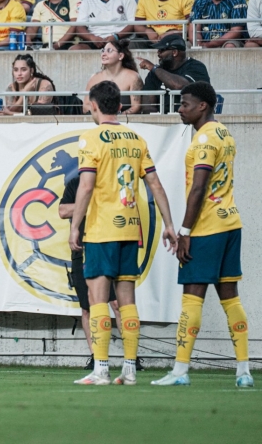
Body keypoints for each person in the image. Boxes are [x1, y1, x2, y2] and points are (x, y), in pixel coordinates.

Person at [70, 80, 177, 386]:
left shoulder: (90, 138)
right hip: (131, 228)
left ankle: (101, 368)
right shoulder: (136, 138)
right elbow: (154, 184)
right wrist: (169, 224)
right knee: (127, 299)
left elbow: (87, 186)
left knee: (98, 298)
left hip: (102, 228)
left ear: (93, 105)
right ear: (118, 105)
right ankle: (129, 369)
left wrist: (76, 226)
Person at [152, 82, 253, 388]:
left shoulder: (205, 139)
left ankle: (180, 371)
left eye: (184, 104)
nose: (180, 109)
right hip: (230, 222)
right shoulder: (224, 132)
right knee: (230, 298)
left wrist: (185, 231)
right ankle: (244, 372)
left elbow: (199, 187)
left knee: (192, 299)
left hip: (207, 227)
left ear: (202, 107)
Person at [59, 174, 125, 371]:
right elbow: (62, 211)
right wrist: (91, 203)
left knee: (117, 304)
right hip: (82, 250)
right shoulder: (74, 183)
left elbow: (122, 207)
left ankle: (132, 357)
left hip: (109, 246)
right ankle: (96, 356)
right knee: (87, 307)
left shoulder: (111, 180)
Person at [137, 33, 210, 112]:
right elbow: (148, 104)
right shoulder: (155, 72)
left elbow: (180, 86)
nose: (158, 53)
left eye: (161, 50)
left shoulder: (196, 67)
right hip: (162, 120)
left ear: (174, 52)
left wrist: (154, 68)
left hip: (192, 119)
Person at [86, 39, 145, 113]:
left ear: (120, 56)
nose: (103, 54)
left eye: (109, 50)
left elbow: (136, 106)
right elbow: (86, 105)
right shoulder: (94, 78)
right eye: (103, 51)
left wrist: (116, 119)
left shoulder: (133, 77)